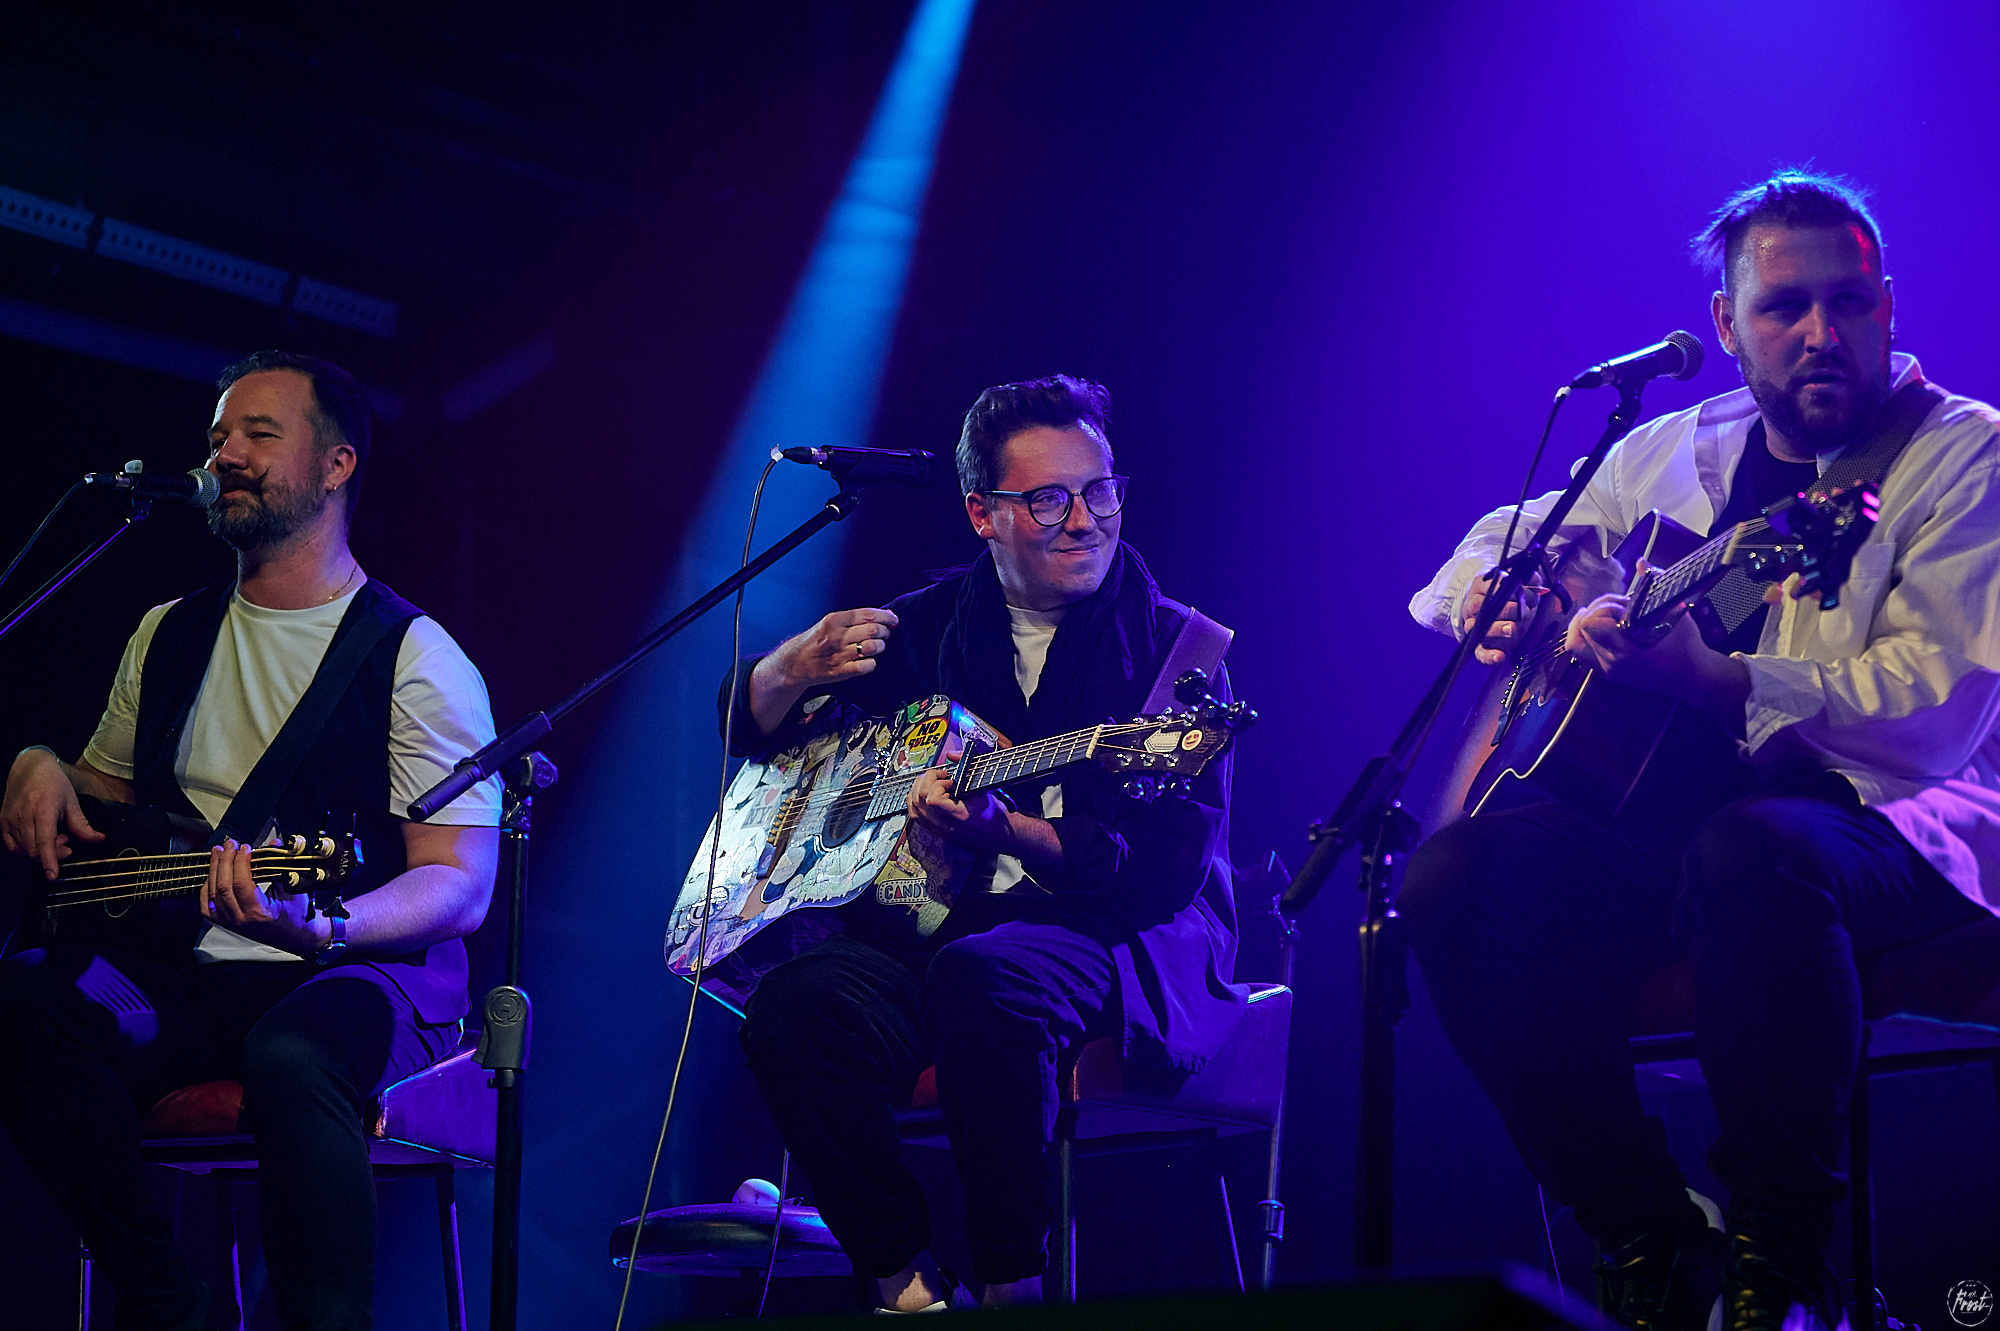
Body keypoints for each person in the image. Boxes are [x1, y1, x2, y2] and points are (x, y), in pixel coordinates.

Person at [1401, 172, 2000, 1331]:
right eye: (1782, 308)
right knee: (1454, 878)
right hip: (1681, 846)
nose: (1820, 334)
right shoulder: (1675, 444)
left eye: (1848, 302)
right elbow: (1482, 548)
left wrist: (1708, 677)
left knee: (1752, 852)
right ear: (1726, 327)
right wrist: (1505, 596)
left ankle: (1782, 1265)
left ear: (1887, 306)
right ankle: (1648, 1234)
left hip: (1899, 822)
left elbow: (1924, 711)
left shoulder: (1959, 455)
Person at [0, 351, 502, 1331]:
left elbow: (457, 882)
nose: (224, 453)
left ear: (335, 465)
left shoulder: (415, 654)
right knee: (20, 1002)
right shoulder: (164, 632)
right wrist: (38, 763)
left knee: (294, 1049)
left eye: (257, 434)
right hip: (184, 978)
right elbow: (104, 822)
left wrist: (321, 924)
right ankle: (166, 1301)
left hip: (359, 976)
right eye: (218, 436)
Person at [723, 374, 1244, 1309]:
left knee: (988, 977)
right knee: (794, 1008)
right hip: (931, 929)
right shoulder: (920, 626)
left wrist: (1007, 828)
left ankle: (1012, 1285)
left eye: (1101, 489)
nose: (1085, 519)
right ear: (981, 513)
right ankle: (906, 1285)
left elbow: (1161, 874)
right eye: (1048, 497)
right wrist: (787, 665)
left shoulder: (1180, 652)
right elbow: (750, 737)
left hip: (1112, 939)